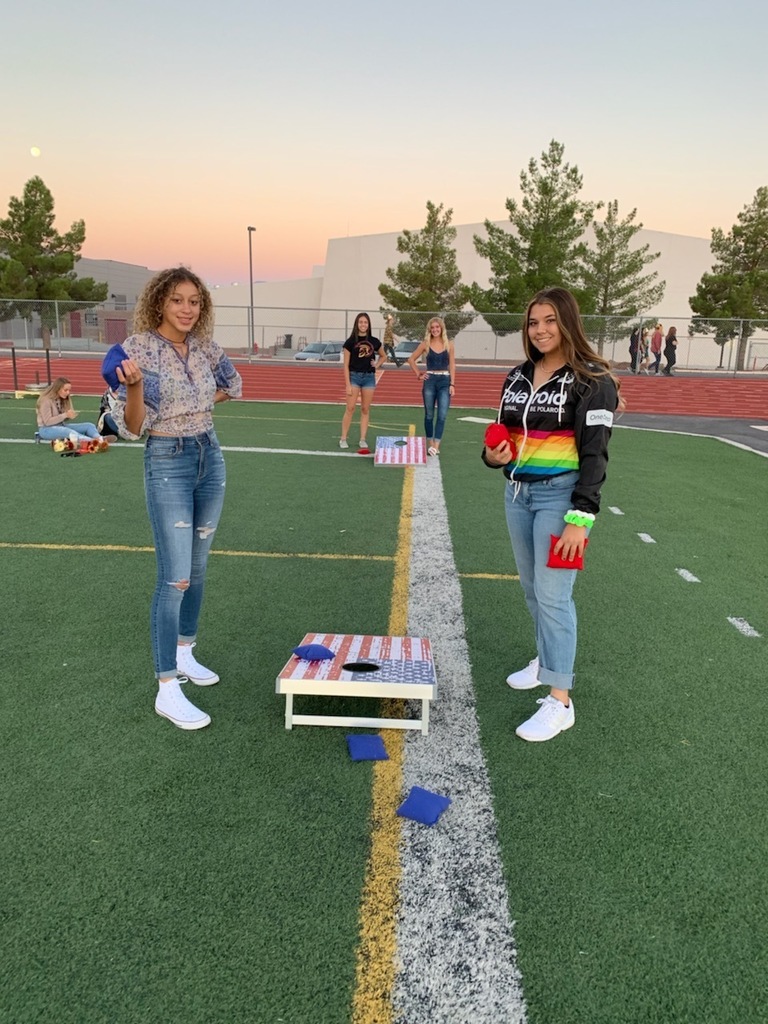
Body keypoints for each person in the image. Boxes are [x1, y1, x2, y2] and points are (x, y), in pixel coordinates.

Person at [483, 286, 620, 743]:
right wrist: (494, 457)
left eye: (549, 321)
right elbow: (504, 442)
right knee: (531, 589)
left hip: (560, 500)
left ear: (567, 322)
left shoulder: (592, 380)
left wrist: (581, 519)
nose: (540, 330)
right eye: (533, 322)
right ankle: (544, 661)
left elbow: (596, 455)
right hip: (517, 494)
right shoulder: (517, 377)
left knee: (555, 595)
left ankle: (561, 700)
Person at [110, 267, 242, 731]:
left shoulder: (205, 346)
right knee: (176, 578)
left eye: (194, 301)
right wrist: (135, 388)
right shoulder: (137, 349)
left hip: (210, 454)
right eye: (177, 301)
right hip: (167, 458)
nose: (187, 309)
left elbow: (233, 382)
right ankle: (167, 687)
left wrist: (197, 403)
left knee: (199, 568)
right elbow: (130, 426)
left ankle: (185, 654)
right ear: (159, 304)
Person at [406, 316, 456, 456]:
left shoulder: (449, 344)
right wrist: (419, 374)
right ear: (429, 329)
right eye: (432, 327)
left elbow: (452, 364)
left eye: (437, 327)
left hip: (445, 381)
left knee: (442, 415)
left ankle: (436, 444)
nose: (435, 330)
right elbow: (411, 359)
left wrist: (452, 383)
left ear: (441, 328)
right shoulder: (425, 344)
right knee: (429, 415)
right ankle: (431, 444)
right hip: (430, 381)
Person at [339, 312, 386, 450]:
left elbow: (383, 356)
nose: (363, 325)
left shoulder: (374, 341)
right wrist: (347, 384)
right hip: (354, 376)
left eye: (365, 322)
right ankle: (343, 438)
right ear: (356, 324)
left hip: (369, 378)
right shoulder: (350, 342)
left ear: (368, 324)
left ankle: (363, 439)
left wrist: (376, 365)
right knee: (350, 408)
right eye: (360, 322)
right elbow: (346, 365)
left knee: (365, 409)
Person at [36, 377, 116, 442]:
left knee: (89, 425)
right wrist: (65, 415)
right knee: (69, 432)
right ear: (57, 389)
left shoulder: (61, 399)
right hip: (46, 430)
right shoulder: (46, 400)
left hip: (61, 426)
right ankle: (93, 441)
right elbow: (47, 422)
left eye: (69, 390)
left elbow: (60, 419)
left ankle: (99, 438)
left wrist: (69, 416)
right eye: (65, 390)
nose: (68, 393)